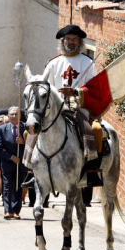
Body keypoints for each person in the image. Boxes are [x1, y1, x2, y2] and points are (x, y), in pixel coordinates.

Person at [41, 24, 100, 206]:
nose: (70, 42)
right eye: (67, 39)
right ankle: (32, 169)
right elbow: (44, 88)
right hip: (56, 111)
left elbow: (94, 88)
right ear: (62, 42)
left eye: (74, 40)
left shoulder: (87, 63)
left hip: (79, 110)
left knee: (95, 130)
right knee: (31, 132)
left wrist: (75, 92)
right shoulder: (53, 63)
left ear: (79, 42)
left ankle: (91, 171)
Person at [0, 106, 26, 220]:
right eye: (11, 114)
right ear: (8, 116)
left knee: (18, 186)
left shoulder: (25, 129)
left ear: (20, 116)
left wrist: (23, 142)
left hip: (21, 164)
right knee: (7, 187)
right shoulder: (2, 129)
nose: (13, 116)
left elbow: (33, 145)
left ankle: (16, 210)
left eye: (16, 114)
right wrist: (11, 157)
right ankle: (8, 210)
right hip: (7, 163)